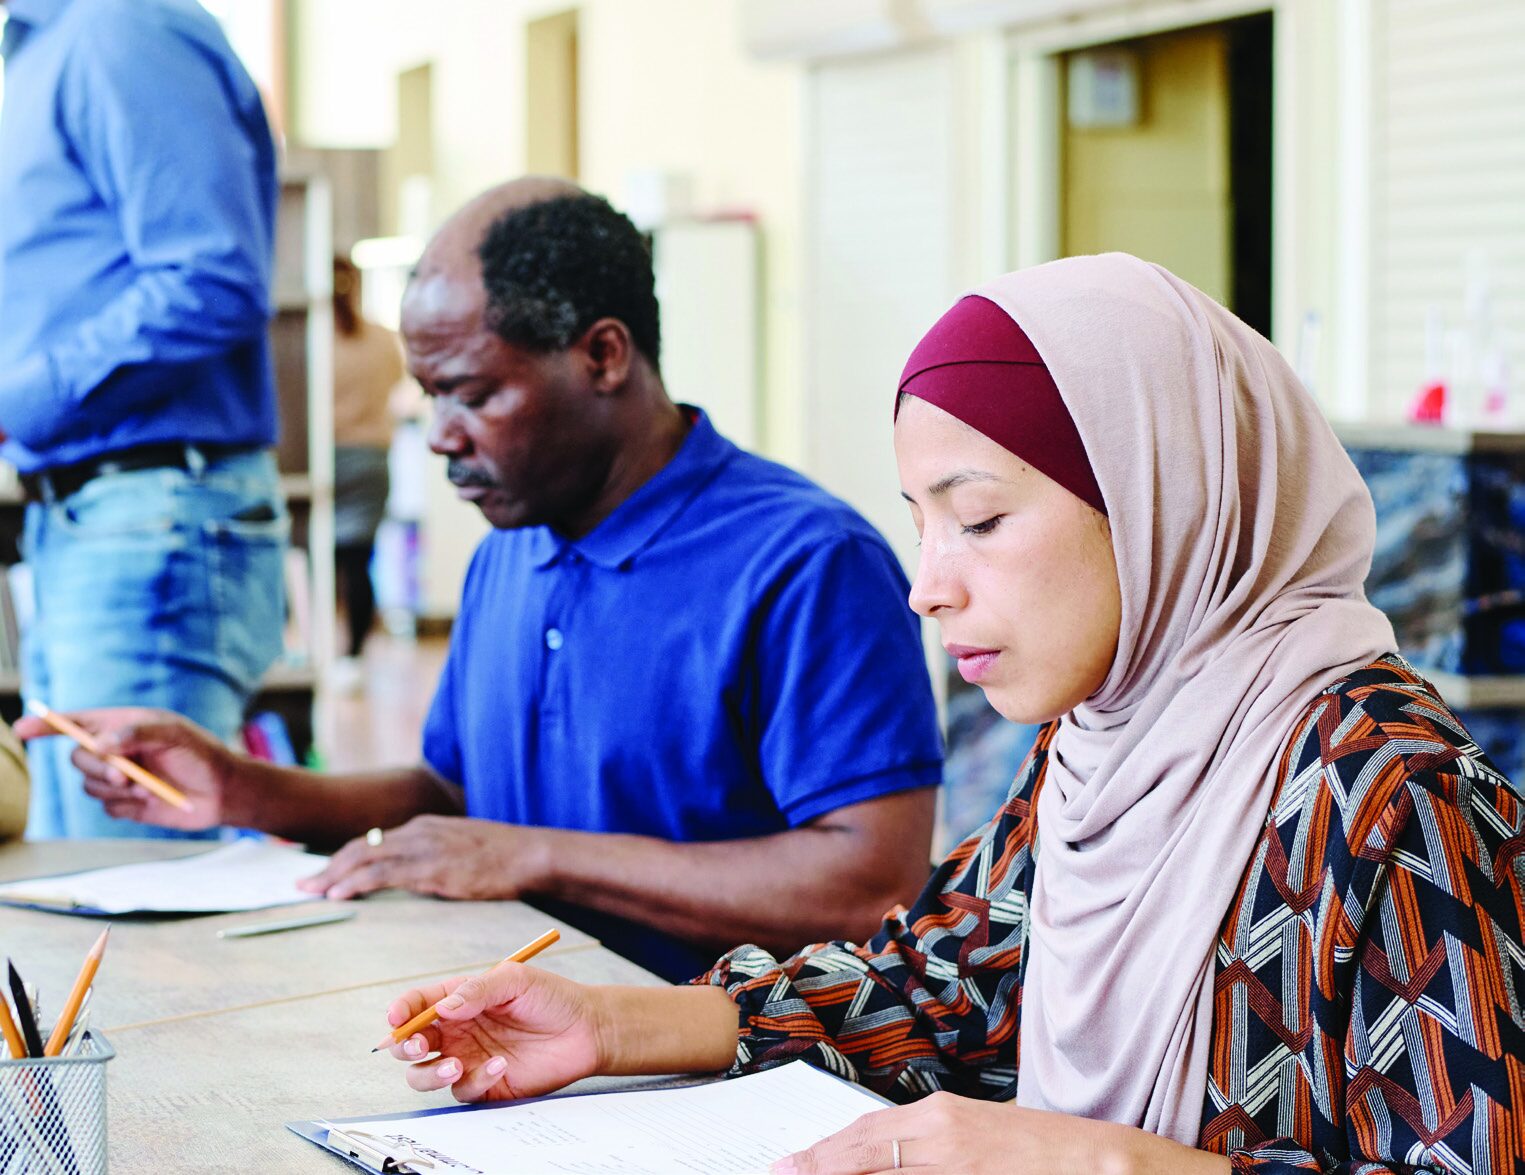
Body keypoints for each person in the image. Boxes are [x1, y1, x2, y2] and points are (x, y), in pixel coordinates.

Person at [371, 255, 1525, 1173]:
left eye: (976, 519)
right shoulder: (1095, 743)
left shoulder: (1394, 797)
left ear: (1158, 495)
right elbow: (952, 980)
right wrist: (611, 1028)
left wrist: (1100, 1163)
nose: (929, 583)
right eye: (919, 522)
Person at [22, 179, 944, 982]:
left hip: (721, 1065)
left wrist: (534, 856)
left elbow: (867, 885)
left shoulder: (805, 563)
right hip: (519, 1038)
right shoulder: (515, 541)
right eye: (430, 397)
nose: (440, 434)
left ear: (603, 355)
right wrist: (242, 788)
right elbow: (454, 797)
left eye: (473, 392)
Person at [0, 0, 287, 839]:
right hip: (91, 513)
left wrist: (14, 399)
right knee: (84, 872)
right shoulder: (44, 50)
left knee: (132, 888)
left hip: (150, 508)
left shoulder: (118, 28)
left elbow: (213, 277)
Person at [330, 253, 405, 683]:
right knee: (358, 560)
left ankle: (314, 649)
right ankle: (353, 659)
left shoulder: (315, 337)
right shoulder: (380, 338)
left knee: (318, 562)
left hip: (325, 458)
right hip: (371, 457)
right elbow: (398, 385)